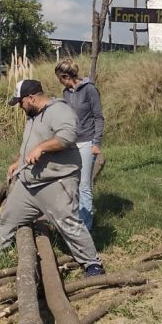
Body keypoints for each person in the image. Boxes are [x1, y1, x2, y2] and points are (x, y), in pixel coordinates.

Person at [0, 79, 105, 276]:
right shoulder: (34, 115)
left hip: (55, 182)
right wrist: (19, 161)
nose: (20, 106)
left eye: (21, 102)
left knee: (69, 223)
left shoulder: (59, 111)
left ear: (32, 98)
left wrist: (41, 148)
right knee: (9, 217)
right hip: (29, 184)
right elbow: (31, 142)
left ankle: (92, 263)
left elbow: (68, 136)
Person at [54, 58, 105, 232]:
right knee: (71, 183)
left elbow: (98, 117)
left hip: (87, 141)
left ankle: (86, 229)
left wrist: (96, 142)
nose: (60, 82)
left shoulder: (89, 90)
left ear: (66, 76)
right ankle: (74, 221)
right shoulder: (66, 93)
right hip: (71, 143)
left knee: (84, 185)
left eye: (60, 78)